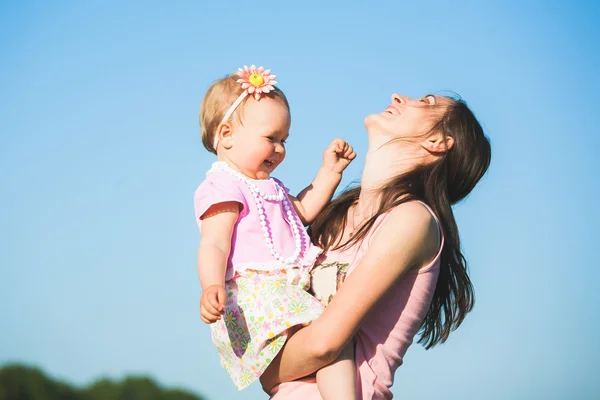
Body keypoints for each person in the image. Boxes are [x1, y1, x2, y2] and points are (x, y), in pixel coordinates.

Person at [261, 92, 492, 399]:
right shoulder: (334, 215)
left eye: (425, 102)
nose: (399, 96)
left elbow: (324, 344)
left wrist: (264, 367)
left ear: (437, 141)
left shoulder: (412, 219)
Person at [193, 65, 358, 398]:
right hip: (258, 294)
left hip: (289, 291)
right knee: (334, 337)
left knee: (322, 352)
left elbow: (301, 212)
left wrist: (329, 173)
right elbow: (214, 244)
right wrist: (211, 284)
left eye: (284, 140)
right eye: (271, 138)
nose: (280, 149)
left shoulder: (271, 187)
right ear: (226, 134)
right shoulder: (223, 185)